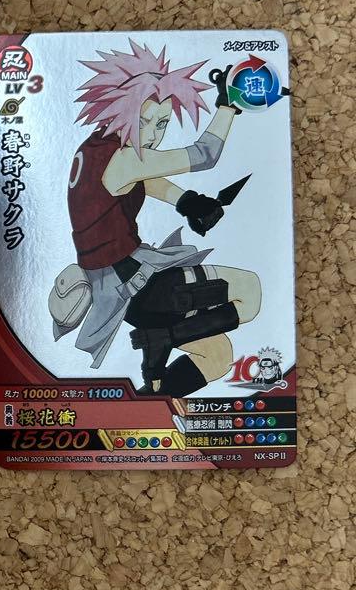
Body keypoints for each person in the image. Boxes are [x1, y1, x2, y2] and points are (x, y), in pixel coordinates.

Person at [53, 40, 261, 396]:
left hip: (123, 294)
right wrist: (227, 106)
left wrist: (187, 201)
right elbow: (205, 154)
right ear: (119, 111)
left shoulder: (96, 149)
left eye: (162, 123)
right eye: (143, 120)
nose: (152, 135)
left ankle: (150, 398)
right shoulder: (125, 158)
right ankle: (163, 337)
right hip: (143, 286)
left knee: (217, 356)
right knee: (250, 291)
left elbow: (141, 180)